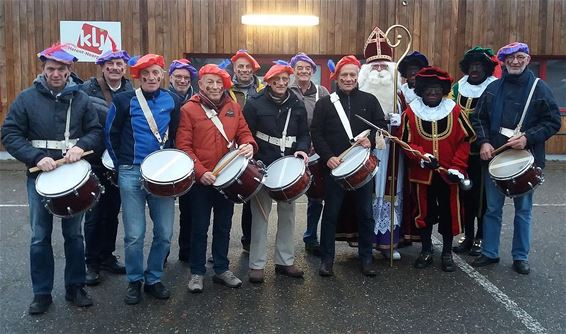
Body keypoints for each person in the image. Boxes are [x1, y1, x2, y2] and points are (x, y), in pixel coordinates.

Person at [1, 43, 101, 314]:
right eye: (50, 69)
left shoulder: (81, 99)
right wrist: (35, 157)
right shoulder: (26, 98)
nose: (55, 74)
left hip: (72, 177)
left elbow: (95, 131)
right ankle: (42, 293)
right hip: (39, 177)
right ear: (43, 69)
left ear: (70, 70)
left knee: (73, 235)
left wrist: (82, 146)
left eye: (61, 69)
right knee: (40, 237)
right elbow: (10, 134)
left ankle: (75, 286)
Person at [470, 42, 561, 275]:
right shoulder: (493, 89)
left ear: (528, 59)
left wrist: (529, 138)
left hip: (526, 160)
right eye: (510, 58)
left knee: (523, 210)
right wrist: (484, 142)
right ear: (504, 62)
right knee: (492, 209)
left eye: (520, 57)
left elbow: (552, 121)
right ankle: (490, 252)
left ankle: (520, 256)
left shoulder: (539, 88)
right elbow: (478, 119)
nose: (515, 61)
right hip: (495, 159)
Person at [105, 54, 181, 304]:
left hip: (162, 175)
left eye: (155, 73)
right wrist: (121, 165)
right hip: (131, 172)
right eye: (145, 74)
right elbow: (110, 134)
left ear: (162, 75)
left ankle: (154, 278)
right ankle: (135, 280)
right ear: (138, 76)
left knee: (164, 232)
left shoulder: (173, 100)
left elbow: (177, 136)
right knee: (134, 234)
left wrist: (173, 166)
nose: (151, 78)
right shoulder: (123, 100)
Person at [176, 64, 257, 292]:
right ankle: (197, 272)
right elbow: (184, 147)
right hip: (201, 180)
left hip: (227, 179)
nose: (214, 86)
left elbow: (244, 133)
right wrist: (201, 173)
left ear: (224, 85)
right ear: (200, 84)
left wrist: (249, 145)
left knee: (223, 226)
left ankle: (221, 269)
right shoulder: (188, 110)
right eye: (209, 82)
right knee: (199, 227)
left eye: (218, 82)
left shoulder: (233, 107)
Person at [310, 55, 386, 277]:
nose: (349, 79)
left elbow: (380, 127)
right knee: (331, 214)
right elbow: (317, 133)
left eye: (353, 75)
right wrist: (328, 157)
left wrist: (371, 139)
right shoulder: (324, 103)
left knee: (365, 214)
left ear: (357, 76)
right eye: (345, 75)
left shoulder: (370, 100)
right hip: (335, 167)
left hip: (362, 168)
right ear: (337, 77)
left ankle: (366, 259)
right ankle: (327, 259)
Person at [399, 66, 474, 272]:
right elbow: (405, 142)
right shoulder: (410, 113)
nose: (433, 92)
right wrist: (422, 156)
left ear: (443, 89)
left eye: (437, 88)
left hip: (449, 174)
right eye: (428, 88)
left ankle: (447, 252)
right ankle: (426, 250)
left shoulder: (455, 111)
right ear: (421, 90)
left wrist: (458, 166)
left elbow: (465, 141)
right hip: (422, 174)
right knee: (424, 213)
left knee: (449, 213)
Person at [243, 61, 310, 283]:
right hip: (264, 165)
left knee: (288, 216)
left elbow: (304, 134)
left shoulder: (296, 103)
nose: (281, 83)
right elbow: (246, 134)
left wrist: (301, 150)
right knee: (260, 216)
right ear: (269, 81)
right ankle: (257, 264)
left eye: (284, 79)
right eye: (276, 80)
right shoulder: (254, 104)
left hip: (288, 166)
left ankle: (285, 261)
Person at [81, 49, 133, 285]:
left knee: (112, 211)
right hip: (93, 160)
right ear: (102, 67)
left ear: (125, 67)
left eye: (119, 64)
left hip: (117, 161)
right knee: (94, 214)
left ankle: (107, 256)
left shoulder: (131, 92)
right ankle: (91, 262)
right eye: (110, 64)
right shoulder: (86, 90)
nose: (115, 68)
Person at [358, 26, 403, 260]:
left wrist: (399, 120)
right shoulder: (359, 92)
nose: (378, 70)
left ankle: (387, 243)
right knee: (364, 194)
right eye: (374, 66)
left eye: (383, 66)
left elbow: (411, 125)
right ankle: (364, 241)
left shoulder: (400, 94)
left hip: (391, 152)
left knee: (388, 193)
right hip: (364, 150)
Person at [450, 46, 498, 256]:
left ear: (487, 68)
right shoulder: (457, 88)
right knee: (464, 195)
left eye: (479, 65)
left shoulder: (494, 88)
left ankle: (481, 236)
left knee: (483, 198)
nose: (475, 69)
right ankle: (467, 235)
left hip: (485, 151)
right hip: (461, 151)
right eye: (472, 65)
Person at [288, 52, 329, 256]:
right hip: (290, 150)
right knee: (287, 196)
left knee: (316, 197)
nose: (304, 71)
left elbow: (328, 121)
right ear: (293, 70)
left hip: (315, 151)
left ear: (313, 71)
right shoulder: (285, 90)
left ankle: (311, 237)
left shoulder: (322, 92)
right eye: (299, 68)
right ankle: (284, 242)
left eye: (307, 68)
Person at [229, 49, 265, 253]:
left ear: (253, 69)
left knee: (250, 194)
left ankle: (249, 241)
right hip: (228, 147)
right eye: (240, 66)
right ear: (234, 69)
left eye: (247, 67)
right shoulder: (225, 88)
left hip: (254, 147)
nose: (243, 70)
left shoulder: (263, 88)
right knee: (222, 199)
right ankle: (218, 250)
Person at [166, 58, 198, 264]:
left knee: (189, 208)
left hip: (189, 158)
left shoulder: (197, 99)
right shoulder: (161, 97)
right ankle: (163, 252)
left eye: (186, 77)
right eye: (178, 76)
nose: (182, 80)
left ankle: (187, 250)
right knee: (164, 211)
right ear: (170, 78)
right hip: (167, 158)